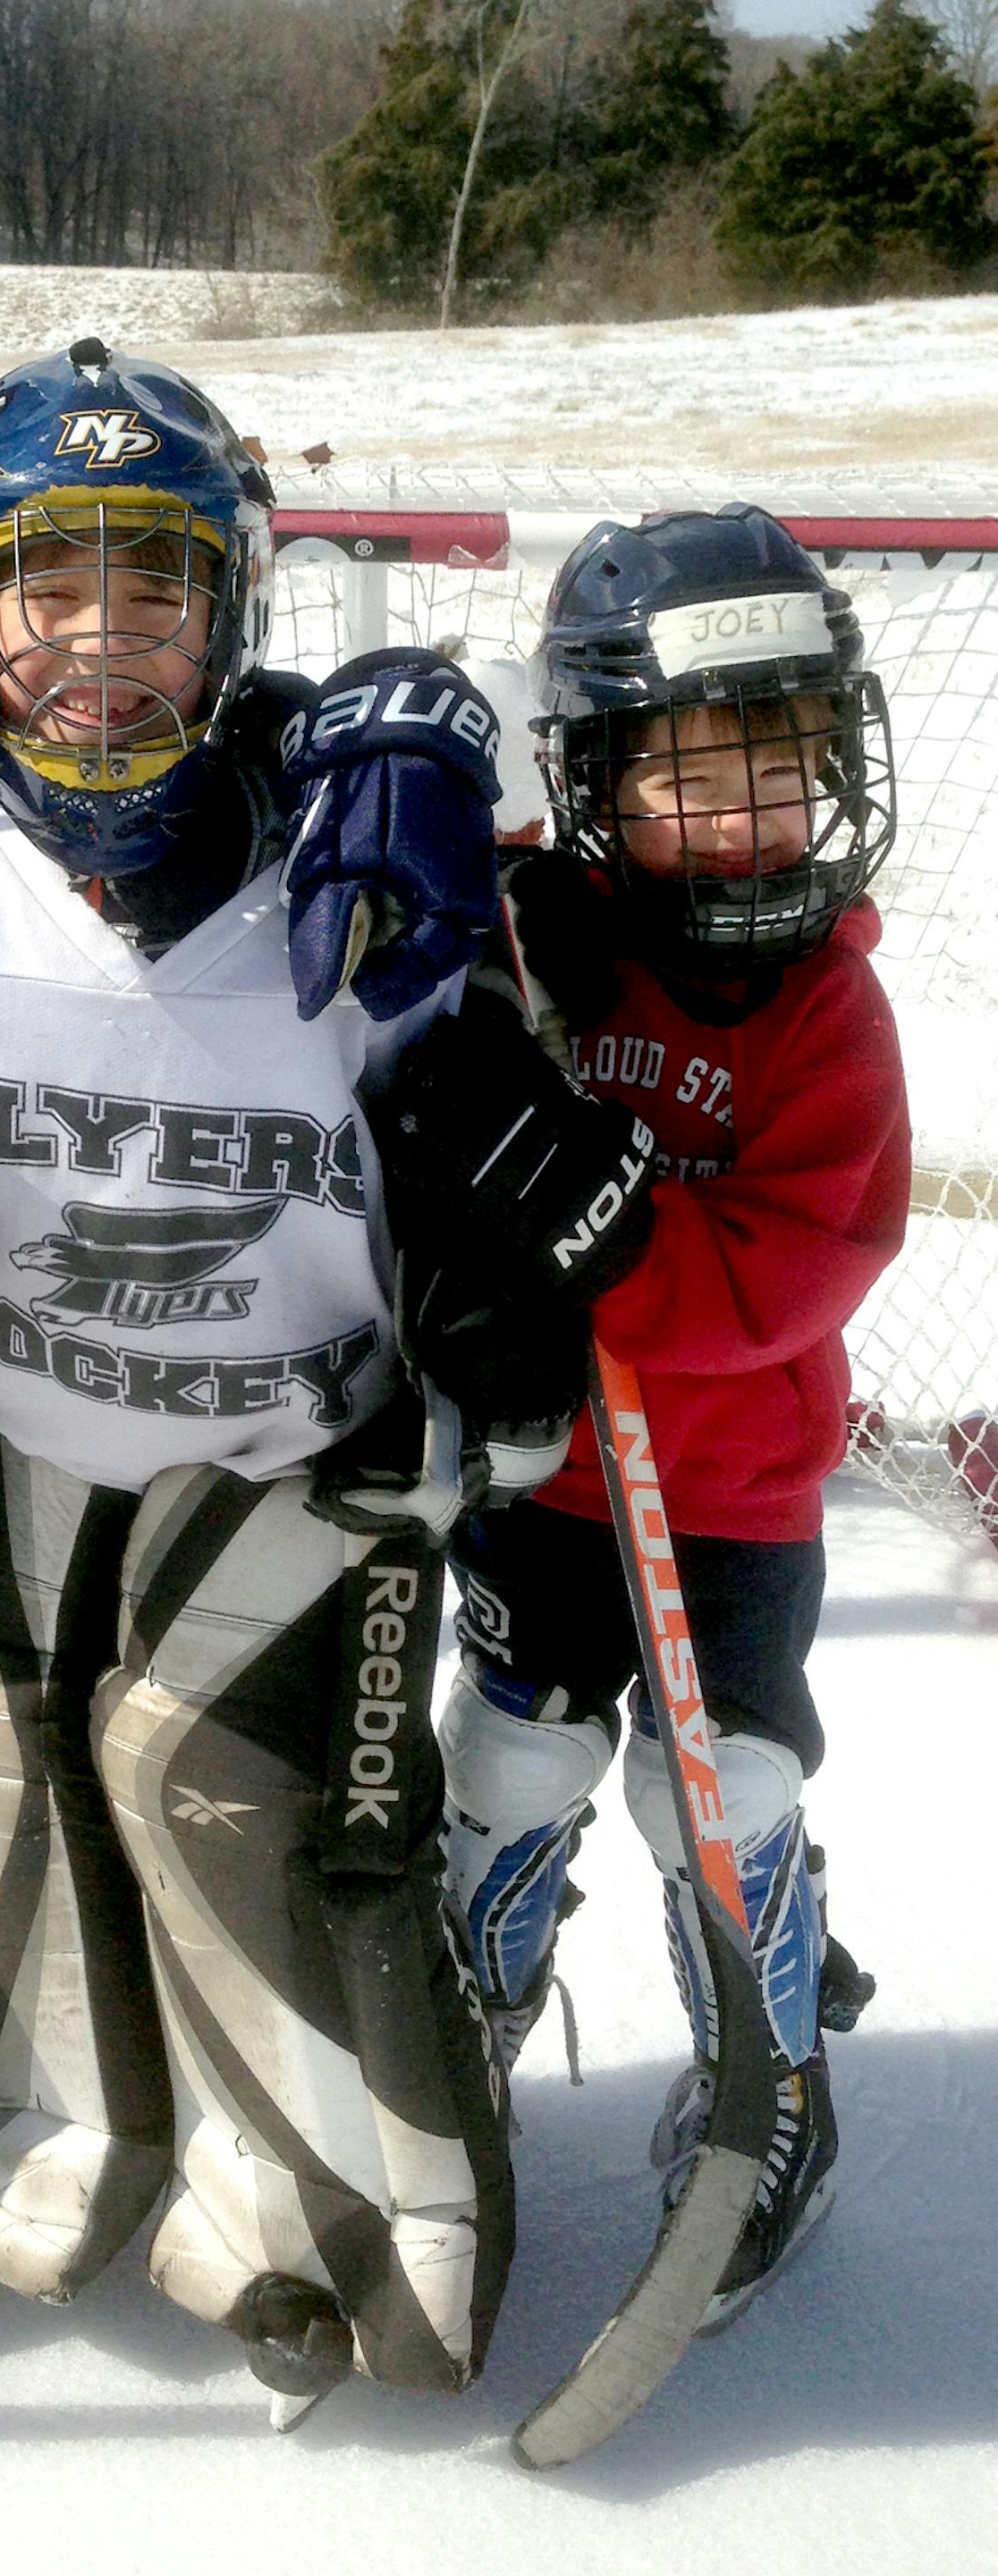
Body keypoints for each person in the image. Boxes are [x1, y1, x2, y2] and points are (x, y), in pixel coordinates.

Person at [0, 342, 654, 2422]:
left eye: (157, 588)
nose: (100, 641)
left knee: (218, 1786)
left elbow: (485, 1195)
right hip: (11, 1430)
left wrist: (505, 1296)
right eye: (45, 584)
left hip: (289, 1447)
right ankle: (35, 2138)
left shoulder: (352, 875)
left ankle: (335, 2210)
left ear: (234, 610)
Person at [417, 503, 909, 2330]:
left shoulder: (830, 1019)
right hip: (553, 1489)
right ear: (607, 783)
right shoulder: (572, 935)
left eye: (783, 769)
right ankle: (471, 2005)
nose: (749, 821)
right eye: (694, 779)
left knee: (724, 1792)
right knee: (516, 1757)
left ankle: (770, 2071)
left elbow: (794, 1268)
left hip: (738, 1500)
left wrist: (620, 1236)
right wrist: (498, 916)